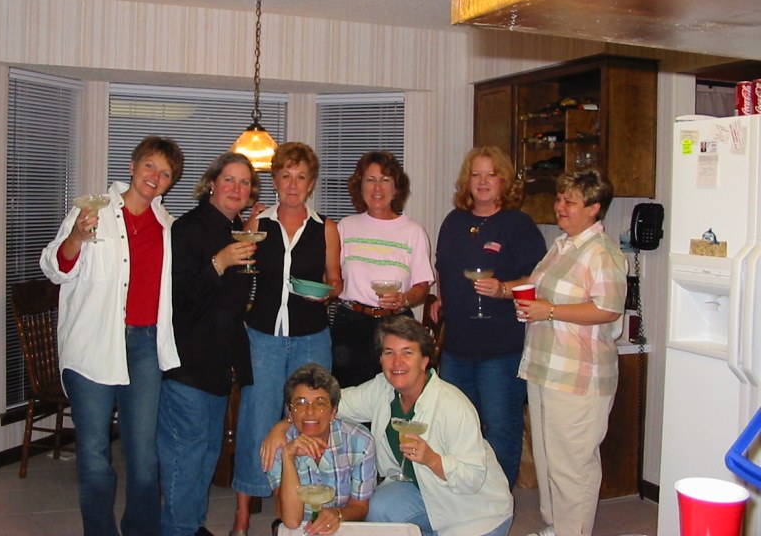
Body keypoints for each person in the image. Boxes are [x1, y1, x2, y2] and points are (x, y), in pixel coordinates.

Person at [40, 135, 185, 536]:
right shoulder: (92, 211)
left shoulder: (168, 227)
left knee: (144, 455)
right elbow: (54, 268)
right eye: (150, 166)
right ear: (133, 166)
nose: (155, 177)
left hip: (145, 347)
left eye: (165, 173)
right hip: (91, 345)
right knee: (93, 452)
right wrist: (75, 238)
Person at [265, 316, 513, 536]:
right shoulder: (383, 389)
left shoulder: (453, 406)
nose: (397, 362)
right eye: (389, 353)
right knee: (379, 508)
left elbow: (473, 478)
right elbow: (328, 404)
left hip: (475, 511)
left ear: (425, 360)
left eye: (407, 353)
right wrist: (284, 424)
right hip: (424, 493)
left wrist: (433, 459)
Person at [231, 142, 343, 536]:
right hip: (263, 335)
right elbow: (241, 271)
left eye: (301, 177)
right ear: (275, 180)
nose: (293, 184)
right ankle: (242, 514)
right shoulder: (257, 222)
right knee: (256, 420)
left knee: (310, 420)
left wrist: (326, 293)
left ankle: (302, 505)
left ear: (311, 184)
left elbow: (336, 280)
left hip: (311, 336)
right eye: (285, 176)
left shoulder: (326, 228)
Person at [511, 168, 626, 536]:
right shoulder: (562, 245)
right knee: (549, 459)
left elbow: (608, 309)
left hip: (579, 375)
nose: (560, 206)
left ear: (594, 208)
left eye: (570, 201)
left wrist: (550, 311)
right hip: (546, 368)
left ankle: (573, 531)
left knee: (573, 465)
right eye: (560, 199)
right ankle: (556, 526)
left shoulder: (601, 252)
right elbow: (543, 294)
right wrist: (528, 304)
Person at [157, 152, 261, 536]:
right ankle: (178, 529)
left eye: (245, 182)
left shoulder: (235, 230)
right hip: (188, 364)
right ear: (212, 183)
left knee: (205, 456)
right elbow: (177, 299)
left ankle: (191, 526)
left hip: (218, 365)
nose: (236, 188)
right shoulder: (188, 229)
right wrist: (219, 262)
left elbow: (230, 302)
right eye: (229, 179)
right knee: (184, 459)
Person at [431, 146, 546, 489]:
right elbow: (443, 267)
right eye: (476, 174)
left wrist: (503, 289)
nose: (482, 182)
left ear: (504, 181)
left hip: (501, 348)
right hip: (456, 347)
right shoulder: (454, 221)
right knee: (456, 427)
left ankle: (498, 498)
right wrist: (442, 298)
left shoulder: (518, 225)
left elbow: (537, 279)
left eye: (491, 174)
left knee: (500, 428)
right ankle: (463, 494)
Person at [331, 151, 434, 388]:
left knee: (395, 396)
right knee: (349, 397)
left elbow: (422, 286)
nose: (377, 188)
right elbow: (332, 278)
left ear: (396, 188)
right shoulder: (345, 227)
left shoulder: (413, 232)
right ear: (360, 186)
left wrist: (404, 299)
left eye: (385, 180)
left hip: (396, 327)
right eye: (370, 180)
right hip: (351, 326)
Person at [268, 364, 375, 534]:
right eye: (301, 403)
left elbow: (360, 507)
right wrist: (288, 457)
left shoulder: (360, 442)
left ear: (333, 411)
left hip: (341, 525)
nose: (310, 411)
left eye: (320, 403)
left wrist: (338, 514)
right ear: (290, 411)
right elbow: (291, 520)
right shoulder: (277, 445)